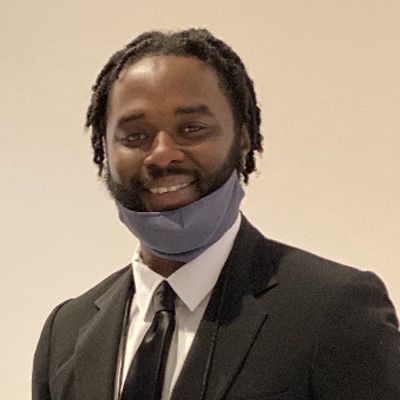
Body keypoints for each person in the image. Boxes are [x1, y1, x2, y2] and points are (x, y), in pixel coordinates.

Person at [32, 29, 400, 400]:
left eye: (191, 129)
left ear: (242, 138)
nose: (162, 154)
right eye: (134, 136)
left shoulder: (334, 310)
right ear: (103, 151)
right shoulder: (66, 332)